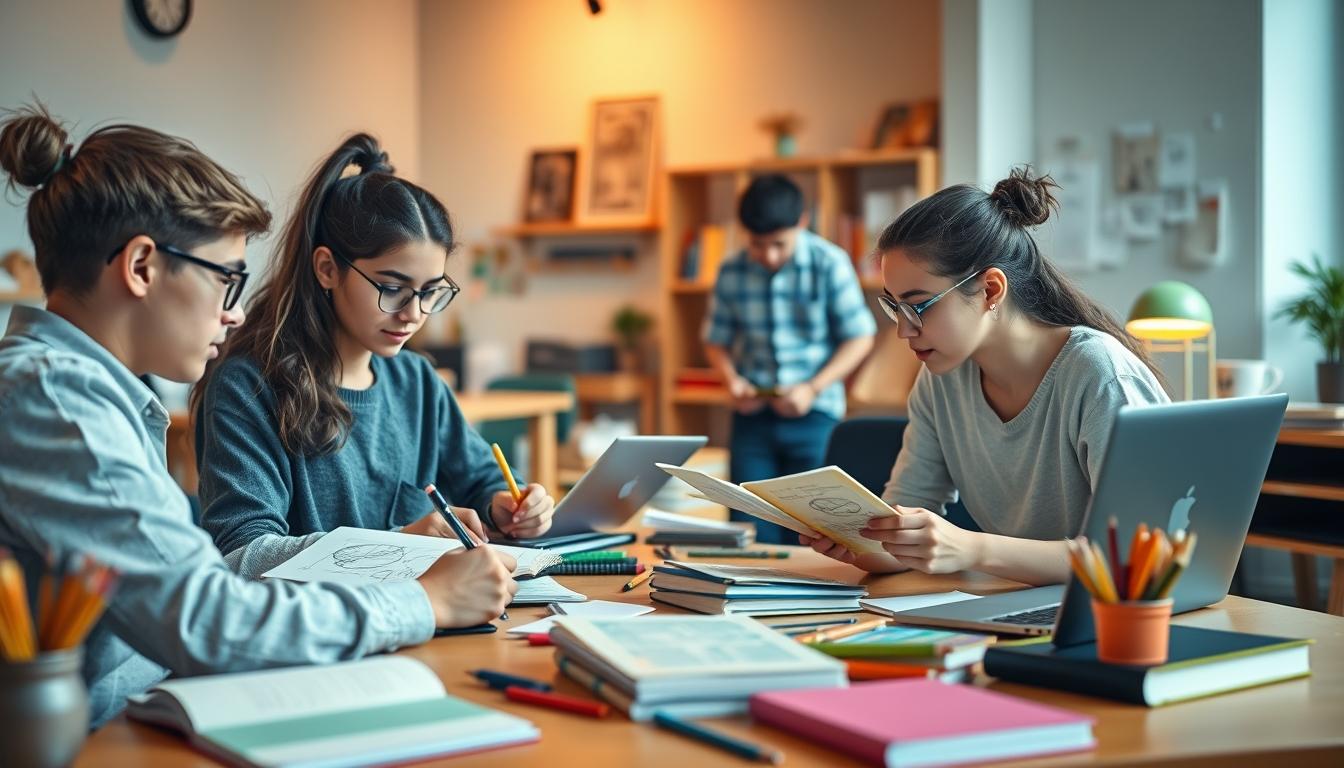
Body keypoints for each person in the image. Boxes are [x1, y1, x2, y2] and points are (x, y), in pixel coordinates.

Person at [0, 105, 517, 728]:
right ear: (141, 267)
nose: (236, 314)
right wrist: (423, 601)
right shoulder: (56, 400)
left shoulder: (93, 396)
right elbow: (208, 617)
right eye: (226, 280)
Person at [192, 133, 555, 577]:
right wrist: (398, 546)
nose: (414, 314)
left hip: (428, 623)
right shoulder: (250, 387)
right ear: (327, 269)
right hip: (316, 637)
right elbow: (244, 553)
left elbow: (482, 479)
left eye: (430, 292)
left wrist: (508, 505)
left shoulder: (416, 381)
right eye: (392, 288)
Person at [803, 168, 1169, 584]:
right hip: (1018, 605)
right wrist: (859, 544)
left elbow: (1139, 558)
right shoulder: (939, 379)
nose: (904, 330)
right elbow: (903, 537)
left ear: (991, 290)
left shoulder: (1099, 374)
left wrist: (972, 548)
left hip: (1118, 619)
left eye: (918, 306)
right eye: (894, 308)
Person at [703, 175, 877, 543]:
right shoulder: (730, 270)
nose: (768, 256)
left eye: (778, 244)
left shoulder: (830, 262)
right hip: (752, 420)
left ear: (802, 220)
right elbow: (715, 341)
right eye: (757, 244)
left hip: (816, 416)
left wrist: (813, 388)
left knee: (816, 532)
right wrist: (730, 379)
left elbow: (860, 336)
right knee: (749, 533)